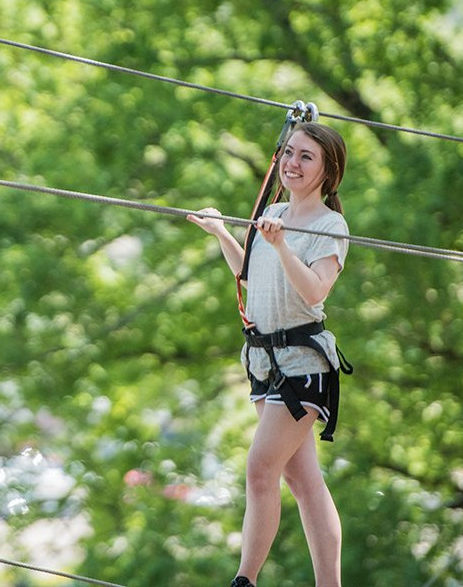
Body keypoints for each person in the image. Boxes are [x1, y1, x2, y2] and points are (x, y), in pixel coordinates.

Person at [187, 121, 350, 587]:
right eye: (289, 153)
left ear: (327, 172)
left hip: (302, 365)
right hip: (264, 364)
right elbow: (249, 274)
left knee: (260, 469)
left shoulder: (330, 226)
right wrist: (223, 233)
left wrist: (281, 245)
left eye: (306, 157)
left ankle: (245, 580)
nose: (292, 163)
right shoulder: (274, 212)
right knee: (303, 482)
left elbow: (315, 289)